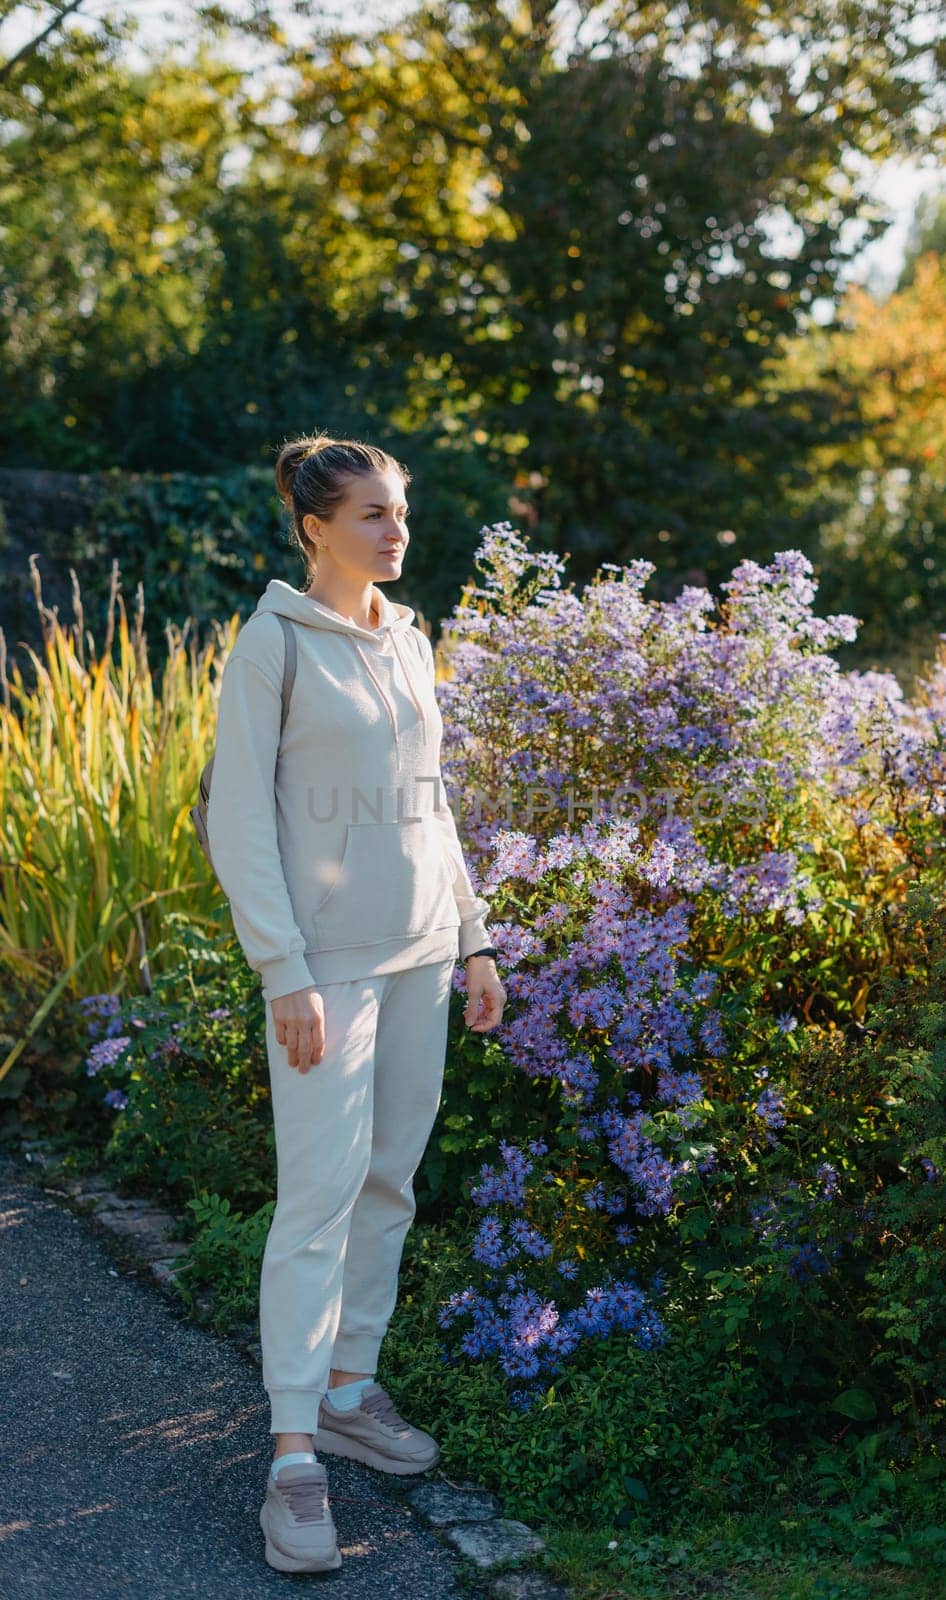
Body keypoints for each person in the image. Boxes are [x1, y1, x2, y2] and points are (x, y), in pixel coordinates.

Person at [205, 433, 507, 1573]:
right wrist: (284, 971)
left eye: (402, 512)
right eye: (374, 515)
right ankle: (292, 1460)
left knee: (387, 1182)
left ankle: (348, 1389)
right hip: (324, 970)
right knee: (317, 1199)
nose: (397, 531)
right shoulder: (273, 643)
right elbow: (238, 820)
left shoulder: (409, 639)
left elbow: (431, 805)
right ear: (315, 526)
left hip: (423, 955)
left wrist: (474, 939)